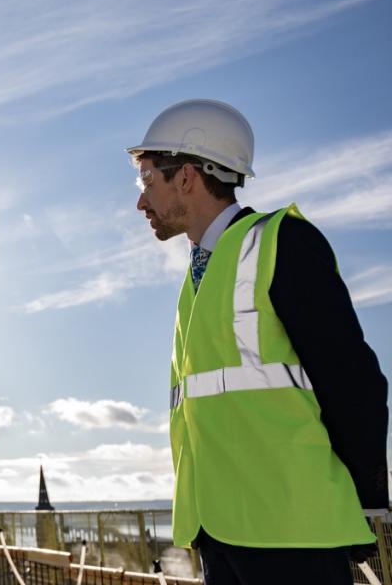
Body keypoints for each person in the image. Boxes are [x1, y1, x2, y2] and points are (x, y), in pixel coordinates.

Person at [129, 99, 389, 584]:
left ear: (185, 176)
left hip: (293, 531)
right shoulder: (198, 278)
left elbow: (353, 381)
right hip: (218, 531)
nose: (141, 202)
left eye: (147, 183)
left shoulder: (282, 241)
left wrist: (366, 504)